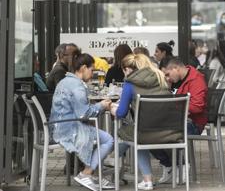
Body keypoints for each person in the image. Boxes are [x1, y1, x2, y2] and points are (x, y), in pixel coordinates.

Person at [50, 54, 114, 190]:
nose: (92, 74)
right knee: (108, 140)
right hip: (70, 130)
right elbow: (84, 114)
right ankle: (86, 173)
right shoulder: (77, 86)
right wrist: (101, 106)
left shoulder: (65, 81)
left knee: (98, 138)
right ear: (84, 68)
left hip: (59, 127)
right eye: (92, 70)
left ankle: (91, 175)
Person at [111, 53, 171, 190]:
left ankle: (110, 158)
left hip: (145, 133)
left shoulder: (129, 83)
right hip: (169, 132)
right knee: (137, 134)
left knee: (129, 134)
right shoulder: (160, 77)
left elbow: (121, 113)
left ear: (127, 69)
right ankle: (112, 158)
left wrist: (111, 108)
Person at [153, 57, 208, 183]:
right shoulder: (175, 80)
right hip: (176, 121)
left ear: (176, 68)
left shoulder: (196, 79)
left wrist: (175, 107)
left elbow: (197, 107)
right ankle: (169, 166)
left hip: (193, 124)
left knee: (169, 134)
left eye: (167, 74)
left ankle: (182, 165)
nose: (167, 78)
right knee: (148, 133)